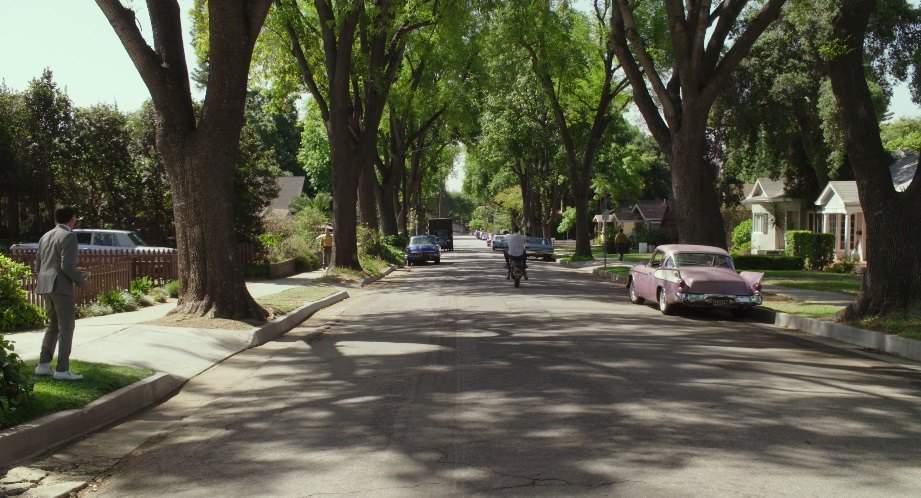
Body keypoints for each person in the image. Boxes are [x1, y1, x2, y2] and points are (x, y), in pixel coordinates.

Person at [35, 206, 87, 381]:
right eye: (76, 217)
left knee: (53, 325)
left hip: (44, 285)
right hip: (61, 287)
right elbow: (66, 266)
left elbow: (38, 266)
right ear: (72, 219)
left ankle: (43, 365)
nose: (76, 220)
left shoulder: (45, 236)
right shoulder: (69, 236)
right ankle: (62, 370)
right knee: (66, 327)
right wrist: (81, 279)